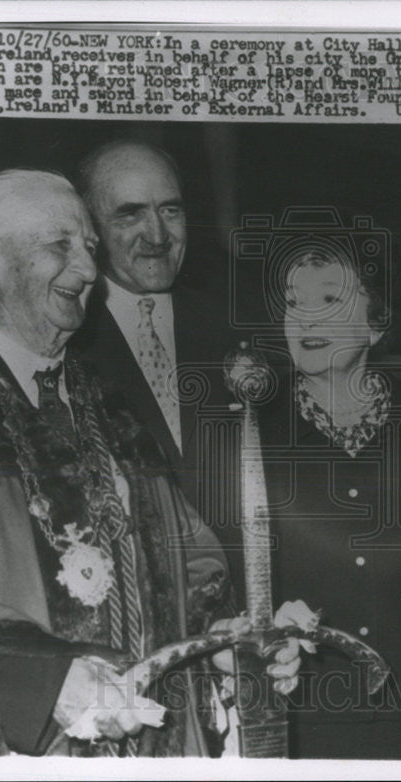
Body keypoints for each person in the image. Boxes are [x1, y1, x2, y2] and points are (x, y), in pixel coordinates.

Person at [0, 169, 302, 757]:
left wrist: (217, 642)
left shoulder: (110, 404)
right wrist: (45, 684)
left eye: (90, 247)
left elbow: (187, 562)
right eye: (59, 245)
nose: (91, 270)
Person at [255, 246, 401, 759]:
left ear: (376, 326)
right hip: (303, 712)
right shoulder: (253, 432)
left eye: (330, 299)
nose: (306, 318)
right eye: (294, 302)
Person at [69, 139, 241, 523]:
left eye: (170, 210)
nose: (159, 235)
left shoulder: (235, 327)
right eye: (130, 215)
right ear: (89, 227)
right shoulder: (66, 339)